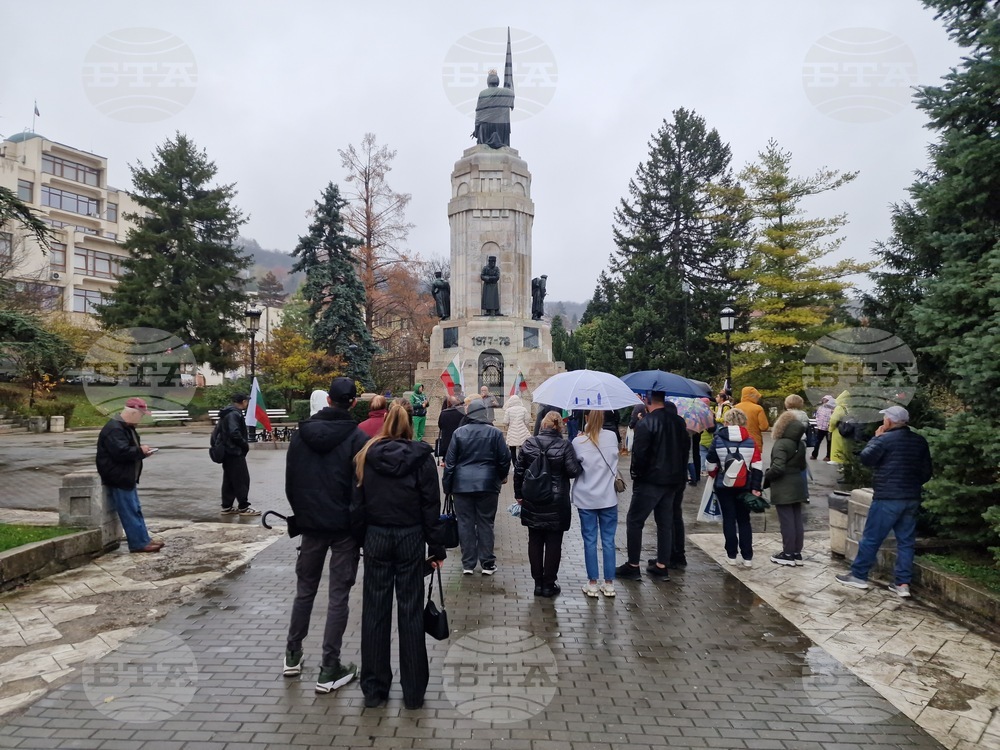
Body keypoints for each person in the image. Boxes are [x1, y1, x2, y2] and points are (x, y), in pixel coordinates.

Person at [351, 403, 447, 709]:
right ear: (408, 425)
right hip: (410, 537)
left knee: (374, 611)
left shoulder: (366, 454)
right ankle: (414, 690)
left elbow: (357, 503)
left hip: (377, 537)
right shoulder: (422, 457)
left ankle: (374, 688)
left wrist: (359, 540)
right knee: (410, 611)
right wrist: (436, 546)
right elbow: (431, 504)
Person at [282, 377, 368, 693]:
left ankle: (292, 654)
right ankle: (329, 666)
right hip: (343, 528)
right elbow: (362, 488)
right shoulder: (357, 438)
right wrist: (356, 522)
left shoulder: (300, 435)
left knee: (305, 590)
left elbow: (291, 482)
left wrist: (303, 515)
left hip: (311, 525)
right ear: (352, 403)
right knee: (338, 596)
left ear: (329, 400)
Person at [836, 406, 933, 598]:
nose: (883, 422)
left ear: (889, 421)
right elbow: (926, 472)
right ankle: (902, 584)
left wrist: (876, 438)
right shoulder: (919, 441)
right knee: (906, 542)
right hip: (911, 497)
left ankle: (859, 575)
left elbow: (866, 458)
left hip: (887, 497)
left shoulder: (884, 440)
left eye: (885, 418)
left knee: (872, 537)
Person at [616, 391, 688, 581]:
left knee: (634, 521)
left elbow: (639, 455)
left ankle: (633, 565)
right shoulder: (679, 422)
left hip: (650, 480)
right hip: (672, 480)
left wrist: (636, 475)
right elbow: (684, 451)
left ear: (647, 400)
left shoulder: (646, 423)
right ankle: (662, 565)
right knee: (665, 523)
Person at [513, 411, 582, 597]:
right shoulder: (564, 445)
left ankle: (537, 583)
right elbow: (573, 471)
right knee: (554, 543)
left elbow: (518, 471)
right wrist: (579, 462)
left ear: (543, 425)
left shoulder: (529, 443)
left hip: (533, 498)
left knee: (534, 540)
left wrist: (518, 495)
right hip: (556, 501)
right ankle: (549, 584)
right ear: (559, 426)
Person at [443, 399, 511, 575]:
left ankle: (468, 564)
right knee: (486, 522)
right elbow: (505, 459)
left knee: (465, 523)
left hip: (461, 485)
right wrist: (500, 476)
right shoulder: (495, 434)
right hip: (487, 484)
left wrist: (447, 486)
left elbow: (450, 463)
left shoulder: (459, 433)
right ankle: (487, 563)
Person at [95, 398, 162, 553]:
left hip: (125, 475)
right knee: (129, 510)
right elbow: (121, 452)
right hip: (118, 476)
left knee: (135, 508)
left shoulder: (125, 427)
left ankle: (143, 539)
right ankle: (139, 543)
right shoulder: (115, 429)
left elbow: (127, 450)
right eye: (141, 414)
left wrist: (142, 453)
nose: (142, 418)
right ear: (132, 412)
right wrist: (140, 451)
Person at [706, 409, 764, 567]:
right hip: (745, 485)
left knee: (729, 519)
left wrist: (714, 474)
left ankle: (731, 555)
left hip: (724, 485)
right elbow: (757, 466)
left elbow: (710, 464)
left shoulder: (717, 439)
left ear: (726, 422)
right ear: (744, 422)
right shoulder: (751, 441)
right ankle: (748, 557)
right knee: (744, 520)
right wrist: (756, 487)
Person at [571, 410, 620, 598]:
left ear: (585, 419)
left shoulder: (578, 441)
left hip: (586, 496)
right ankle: (609, 583)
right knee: (608, 541)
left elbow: (574, 466)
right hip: (608, 496)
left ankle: (592, 582)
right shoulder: (612, 437)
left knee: (589, 541)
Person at [764, 411, 808, 566]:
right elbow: (802, 465)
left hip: (783, 486)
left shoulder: (781, 444)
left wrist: (767, 476)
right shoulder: (800, 444)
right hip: (797, 484)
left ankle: (787, 553)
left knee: (787, 521)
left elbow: (778, 468)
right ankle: (796, 553)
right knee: (797, 519)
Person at [217, 393, 260, 516]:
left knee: (229, 479)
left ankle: (227, 506)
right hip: (234, 452)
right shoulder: (234, 414)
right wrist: (244, 445)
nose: (247, 403)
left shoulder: (228, 412)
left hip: (227, 451)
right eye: (247, 401)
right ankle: (243, 507)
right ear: (243, 401)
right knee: (241, 479)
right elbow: (234, 433)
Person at [473, 68, 514, 148]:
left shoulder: (482, 93)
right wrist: (508, 88)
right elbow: (512, 96)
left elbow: (479, 113)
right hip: (501, 128)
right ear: (498, 82)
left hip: (486, 128)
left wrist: (476, 129)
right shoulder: (507, 92)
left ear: (488, 82)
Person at [503, 393, 531, 465]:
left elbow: (505, 422)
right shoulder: (524, 409)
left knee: (512, 449)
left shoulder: (508, 410)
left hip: (512, 430)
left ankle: (515, 464)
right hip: (522, 431)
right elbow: (527, 421)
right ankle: (521, 463)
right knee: (522, 448)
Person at [437, 395, 465, 467]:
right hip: (459, 437)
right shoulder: (462, 412)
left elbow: (440, 425)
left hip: (447, 438)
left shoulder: (444, 413)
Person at [828, 391, 852, 465]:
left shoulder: (839, 408)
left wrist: (830, 429)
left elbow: (834, 420)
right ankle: (846, 460)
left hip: (838, 429)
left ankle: (836, 459)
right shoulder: (850, 407)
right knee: (845, 445)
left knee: (837, 445)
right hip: (847, 428)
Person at [811, 394, 836, 461]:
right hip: (821, 428)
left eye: (826, 400)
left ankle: (828, 456)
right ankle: (814, 455)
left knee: (829, 443)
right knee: (817, 441)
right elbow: (817, 416)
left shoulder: (833, 409)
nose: (824, 401)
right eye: (824, 400)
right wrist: (818, 423)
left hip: (829, 429)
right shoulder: (821, 408)